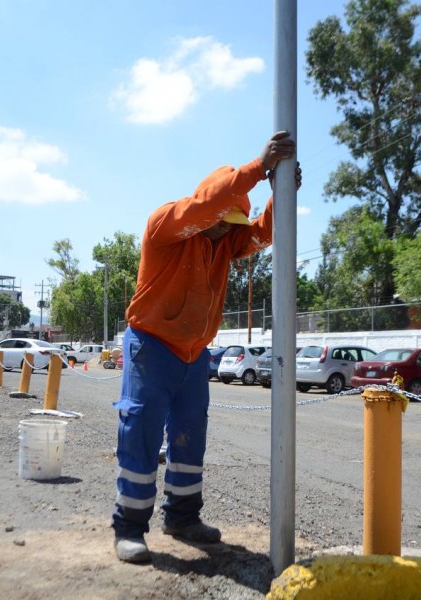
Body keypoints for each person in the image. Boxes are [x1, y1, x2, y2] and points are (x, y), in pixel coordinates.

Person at [112, 131, 299, 563]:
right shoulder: (169, 224)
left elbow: (261, 235)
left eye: (230, 224)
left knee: (189, 438)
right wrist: (256, 167)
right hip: (151, 346)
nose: (224, 231)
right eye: (222, 220)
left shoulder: (224, 241)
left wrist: (279, 192)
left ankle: (182, 517)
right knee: (140, 433)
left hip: (195, 354)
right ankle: (129, 527)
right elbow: (207, 208)